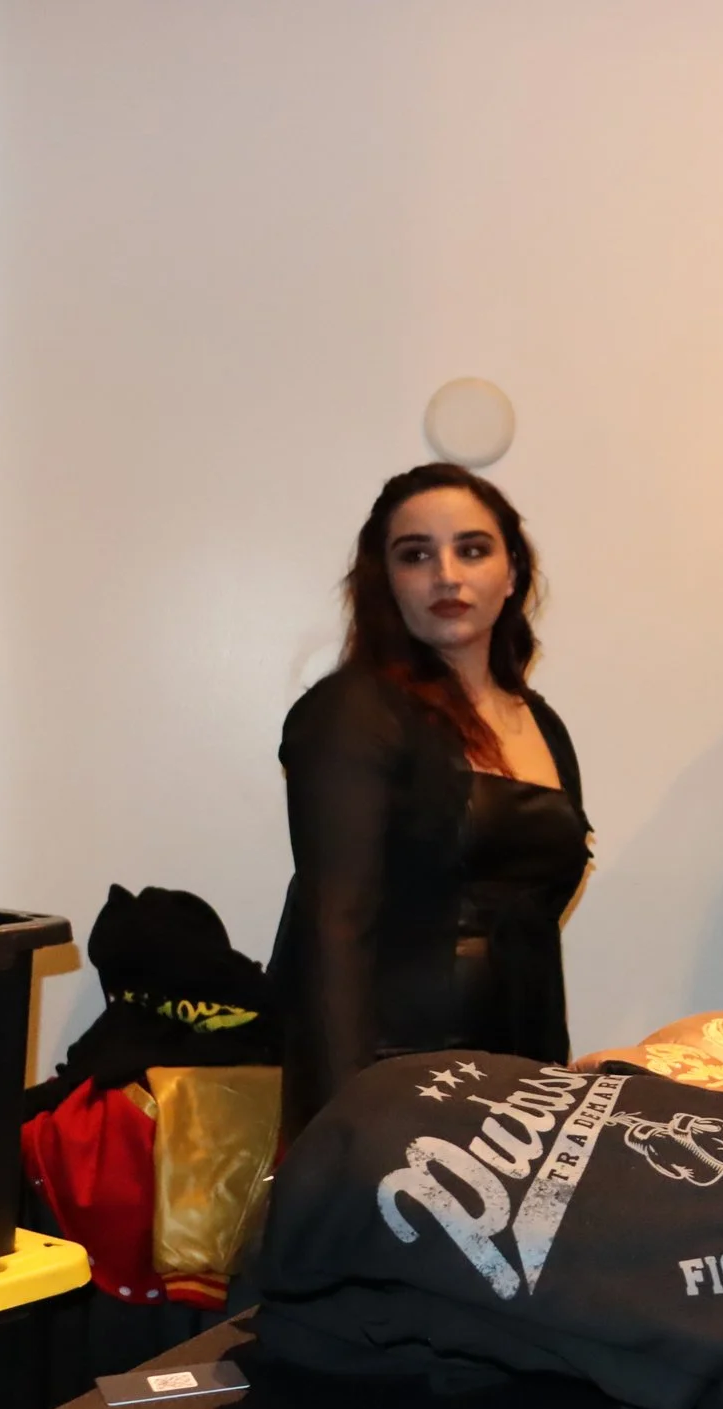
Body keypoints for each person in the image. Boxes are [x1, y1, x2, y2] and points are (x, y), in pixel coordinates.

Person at [270, 463, 589, 1132]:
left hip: (529, 1086)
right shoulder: (353, 713)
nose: (446, 574)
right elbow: (333, 929)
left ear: (512, 573)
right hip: (395, 1086)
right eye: (416, 555)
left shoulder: (543, 722)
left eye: (472, 550)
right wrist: (344, 1126)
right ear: (385, 581)